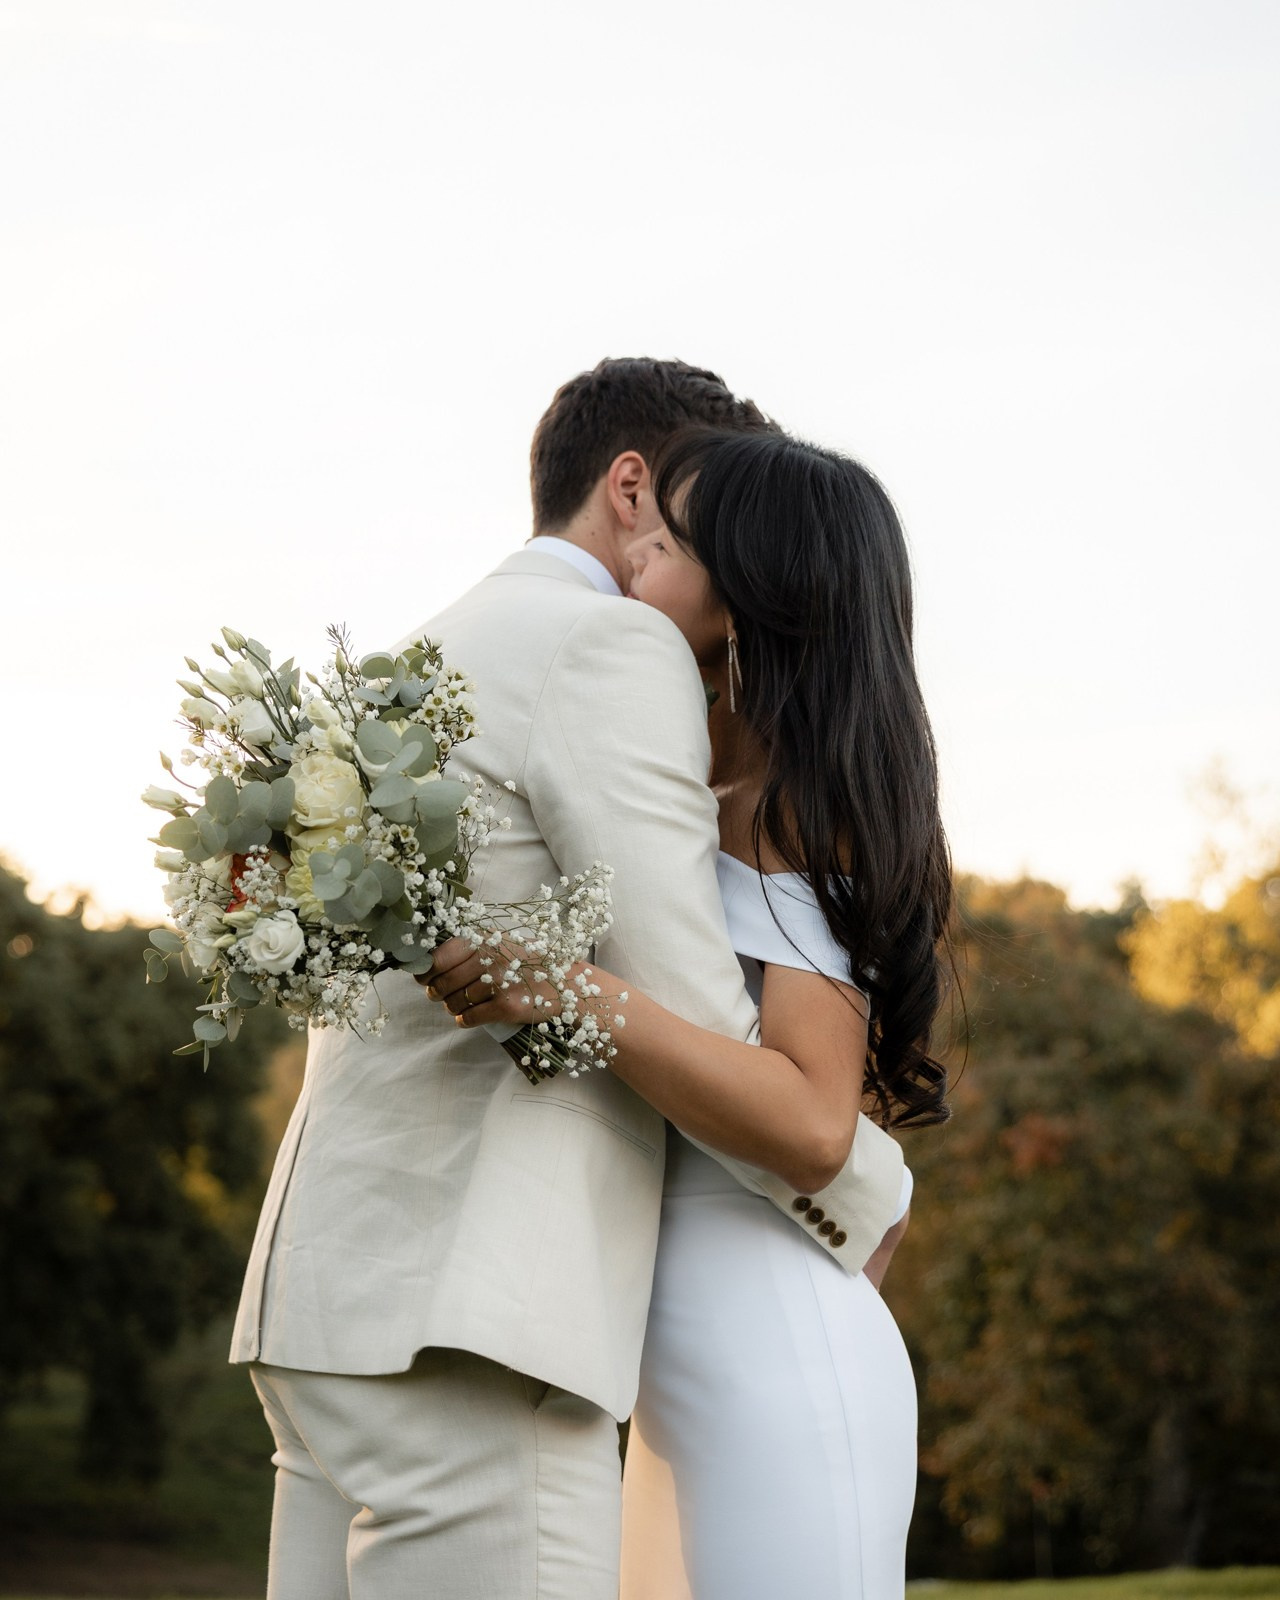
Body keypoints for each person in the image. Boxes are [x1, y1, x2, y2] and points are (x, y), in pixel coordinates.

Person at [232, 360, 908, 1600]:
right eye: (709, 518)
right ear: (633, 488)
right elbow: (693, 1004)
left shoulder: (404, 662)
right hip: (475, 1318)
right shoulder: (606, 646)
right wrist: (866, 1179)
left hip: (326, 1301)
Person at [427, 425, 953, 1598]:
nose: (633, 558)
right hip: (674, 1350)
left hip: (774, 1331)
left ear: (745, 592)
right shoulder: (678, 773)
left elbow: (816, 1123)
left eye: (664, 542)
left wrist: (578, 992)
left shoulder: (786, 810)